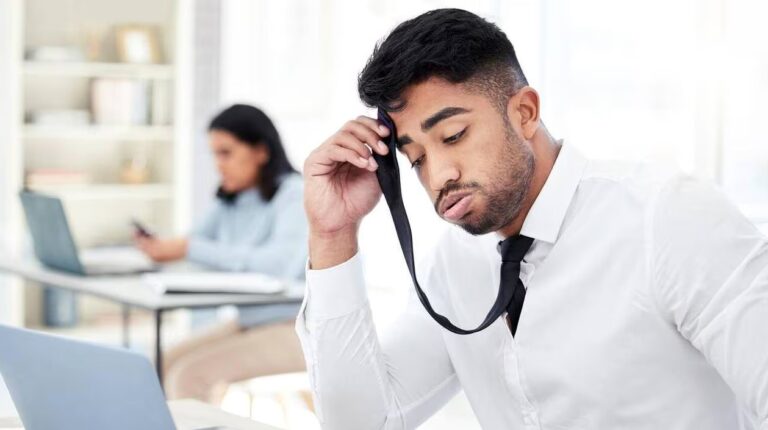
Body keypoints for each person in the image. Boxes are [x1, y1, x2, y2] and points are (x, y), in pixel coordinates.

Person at [297, 8, 768, 430]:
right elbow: (364, 422)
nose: (440, 175)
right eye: (416, 159)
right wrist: (332, 234)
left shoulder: (668, 219)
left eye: (454, 135)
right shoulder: (455, 264)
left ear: (524, 112)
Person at [136, 104, 308, 403]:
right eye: (214, 154)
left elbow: (280, 266)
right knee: (152, 366)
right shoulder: (232, 197)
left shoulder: (294, 194)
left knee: (189, 377)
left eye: (226, 153)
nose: (218, 165)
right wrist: (165, 248)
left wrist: (189, 248)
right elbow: (192, 243)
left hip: (297, 329)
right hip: (250, 322)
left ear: (261, 152)